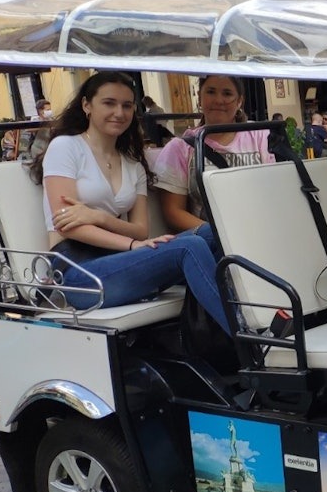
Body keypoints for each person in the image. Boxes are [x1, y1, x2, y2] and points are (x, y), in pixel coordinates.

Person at [32, 71, 229, 333]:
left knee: (214, 232)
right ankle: (251, 343)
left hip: (122, 261)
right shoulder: (66, 147)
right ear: (86, 105)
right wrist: (134, 245)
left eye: (127, 105)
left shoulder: (132, 163)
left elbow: (140, 229)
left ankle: (217, 336)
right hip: (78, 274)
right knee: (188, 246)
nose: (119, 112)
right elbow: (68, 224)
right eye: (109, 103)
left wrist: (100, 218)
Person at [153, 75, 274, 233]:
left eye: (227, 93)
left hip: (263, 230)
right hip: (214, 242)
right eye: (211, 92)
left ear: (239, 101)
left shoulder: (260, 135)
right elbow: (173, 213)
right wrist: (223, 234)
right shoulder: (180, 148)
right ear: (200, 97)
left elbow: (274, 190)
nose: (218, 100)